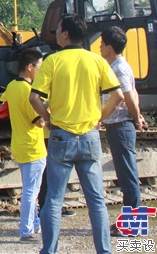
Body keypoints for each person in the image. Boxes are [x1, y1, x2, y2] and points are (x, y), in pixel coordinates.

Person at [29, 14, 124, 254]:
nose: (57, 33)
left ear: (66, 34)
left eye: (58, 29)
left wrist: (48, 118)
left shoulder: (52, 61)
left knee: (53, 200)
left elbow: (34, 97)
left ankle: (49, 250)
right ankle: (104, 250)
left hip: (61, 137)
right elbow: (118, 96)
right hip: (90, 137)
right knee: (96, 201)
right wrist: (100, 118)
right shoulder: (97, 61)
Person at [100, 26, 146, 236]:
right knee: (126, 175)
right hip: (118, 126)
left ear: (110, 47)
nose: (99, 46)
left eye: (102, 43)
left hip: (121, 126)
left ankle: (133, 224)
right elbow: (133, 93)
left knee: (128, 177)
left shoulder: (118, 68)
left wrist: (137, 119)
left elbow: (128, 97)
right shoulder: (119, 65)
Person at [0, 48, 46, 241]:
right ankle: (26, 231)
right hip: (33, 147)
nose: (41, 72)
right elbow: (40, 121)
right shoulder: (28, 92)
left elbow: (4, 107)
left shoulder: (11, 86)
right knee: (31, 191)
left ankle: (34, 224)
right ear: (30, 67)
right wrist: (47, 109)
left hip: (19, 144)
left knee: (30, 188)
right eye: (40, 68)